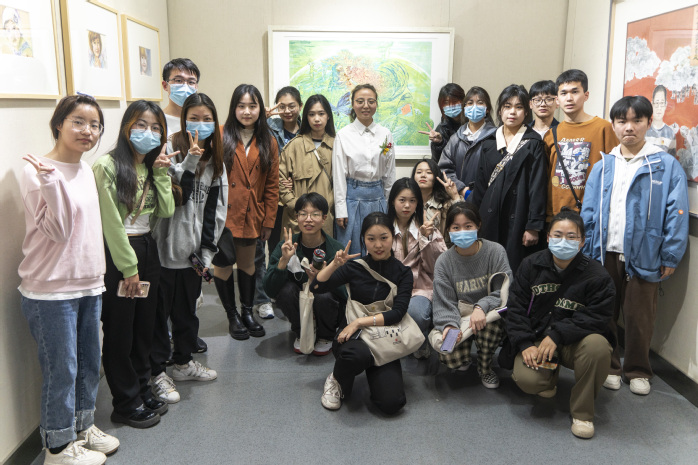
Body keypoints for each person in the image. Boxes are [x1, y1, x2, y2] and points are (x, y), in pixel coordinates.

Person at [19, 94, 118, 463]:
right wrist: (50, 182)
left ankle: (81, 427)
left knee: (90, 362)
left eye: (94, 125)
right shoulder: (36, 170)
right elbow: (59, 231)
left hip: (88, 283)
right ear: (59, 123)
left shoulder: (86, 170)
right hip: (51, 290)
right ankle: (58, 448)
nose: (87, 131)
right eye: (78, 121)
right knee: (62, 370)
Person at [581, 95, 689, 396]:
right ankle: (610, 365)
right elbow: (588, 212)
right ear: (614, 125)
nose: (629, 127)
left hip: (646, 253)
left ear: (648, 123)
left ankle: (638, 369)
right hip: (604, 252)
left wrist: (670, 254)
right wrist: (587, 251)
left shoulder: (665, 165)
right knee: (604, 312)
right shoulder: (604, 165)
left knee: (640, 316)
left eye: (636, 120)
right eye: (622, 121)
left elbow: (677, 213)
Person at [93, 101, 175, 428]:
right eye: (141, 125)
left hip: (147, 248)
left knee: (144, 326)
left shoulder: (150, 166)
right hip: (120, 254)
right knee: (120, 331)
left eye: (155, 128)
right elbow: (111, 224)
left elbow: (166, 210)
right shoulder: (107, 166)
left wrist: (162, 173)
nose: (148, 133)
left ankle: (142, 389)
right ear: (127, 126)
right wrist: (129, 268)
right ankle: (125, 403)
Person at [504, 208, 615, 439]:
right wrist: (525, 343)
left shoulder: (598, 276)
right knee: (528, 380)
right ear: (547, 237)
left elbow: (598, 317)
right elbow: (515, 307)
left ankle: (583, 413)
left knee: (598, 347)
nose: (563, 241)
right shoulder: (530, 265)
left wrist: (557, 334)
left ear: (582, 242)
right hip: (538, 338)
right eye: (557, 235)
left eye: (571, 236)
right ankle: (547, 381)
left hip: (574, 342)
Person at [150, 93, 227, 401]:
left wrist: (206, 254)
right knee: (159, 317)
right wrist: (190, 159)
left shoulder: (217, 161)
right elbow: (174, 197)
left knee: (187, 314)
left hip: (193, 255)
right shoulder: (170, 148)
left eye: (207, 119)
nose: (200, 124)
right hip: (163, 251)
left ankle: (182, 363)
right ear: (184, 120)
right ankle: (158, 372)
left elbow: (215, 213)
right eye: (194, 118)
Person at [312, 212, 413, 413]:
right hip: (353, 339)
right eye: (371, 239)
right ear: (363, 239)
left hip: (383, 337)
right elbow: (316, 287)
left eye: (384, 238)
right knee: (355, 356)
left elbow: (398, 313)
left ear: (393, 237)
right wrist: (334, 264)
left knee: (392, 403)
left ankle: (373, 371)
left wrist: (359, 322)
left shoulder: (403, 273)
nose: (378, 245)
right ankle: (336, 379)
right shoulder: (355, 267)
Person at [215, 84, 279, 340]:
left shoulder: (268, 140)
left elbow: (272, 185)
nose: (247, 111)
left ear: (260, 109)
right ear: (233, 108)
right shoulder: (221, 134)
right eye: (241, 106)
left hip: (252, 214)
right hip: (223, 215)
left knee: (248, 265)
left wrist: (269, 221)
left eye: (252, 106)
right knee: (223, 266)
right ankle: (232, 316)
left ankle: (247, 312)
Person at [431, 202, 512, 388]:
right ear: (448, 230)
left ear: (478, 225)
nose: (462, 232)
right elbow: (444, 301)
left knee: (488, 331)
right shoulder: (444, 261)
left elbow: (503, 290)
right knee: (449, 354)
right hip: (459, 316)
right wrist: (449, 325)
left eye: (468, 226)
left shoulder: (495, 251)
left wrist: (481, 307)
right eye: (456, 227)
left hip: (489, 314)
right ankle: (465, 356)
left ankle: (485, 368)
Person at [471, 84, 548, 273]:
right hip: (489, 217)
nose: (512, 112)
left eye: (518, 107)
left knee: (515, 269)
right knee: (488, 268)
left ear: (526, 112)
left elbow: (538, 187)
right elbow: (480, 187)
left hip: (519, 218)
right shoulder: (489, 143)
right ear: (500, 110)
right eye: (507, 106)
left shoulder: (533, 143)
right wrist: (474, 221)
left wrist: (533, 226)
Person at [263, 193, 346, 355]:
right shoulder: (286, 245)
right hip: (299, 305)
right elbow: (270, 290)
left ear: (324, 218)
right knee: (286, 291)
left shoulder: (335, 249)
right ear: (297, 218)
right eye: (303, 214)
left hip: (328, 309)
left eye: (315, 214)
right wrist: (283, 261)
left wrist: (323, 279)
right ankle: (301, 331)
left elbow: (345, 294)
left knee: (323, 295)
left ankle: (325, 336)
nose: (308, 219)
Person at [252, 86, 305, 319]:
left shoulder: (306, 129)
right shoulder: (268, 127)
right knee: (267, 249)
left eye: (292, 106)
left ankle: (288, 291)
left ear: (300, 106)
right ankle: (264, 296)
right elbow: (248, 137)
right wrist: (260, 118)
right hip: (272, 198)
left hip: (295, 201)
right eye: (281, 106)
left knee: (291, 248)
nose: (287, 111)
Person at [543, 69, 618, 221]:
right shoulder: (551, 134)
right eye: (564, 93)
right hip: (556, 216)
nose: (569, 98)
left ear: (586, 95)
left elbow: (614, 172)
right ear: (557, 99)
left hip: (591, 215)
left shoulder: (603, 128)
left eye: (575, 92)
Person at [333, 84, 396, 255]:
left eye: (371, 101)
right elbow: (338, 176)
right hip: (352, 200)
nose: (366, 106)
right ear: (353, 104)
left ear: (376, 104)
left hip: (378, 199)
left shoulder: (386, 134)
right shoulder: (343, 135)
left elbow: (389, 175)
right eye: (360, 101)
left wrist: (390, 207)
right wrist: (340, 209)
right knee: (352, 251)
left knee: (378, 250)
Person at [387, 178, 447, 357]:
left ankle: (420, 342)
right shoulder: (384, 227)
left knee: (416, 314)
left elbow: (437, 267)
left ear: (418, 203)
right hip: (389, 288)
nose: (407, 205)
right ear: (392, 201)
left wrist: (426, 239)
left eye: (412, 200)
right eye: (402, 200)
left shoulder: (427, 228)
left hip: (419, 288)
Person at [278, 94, 336, 238]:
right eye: (312, 114)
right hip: (297, 218)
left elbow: (342, 183)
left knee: (323, 251)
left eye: (321, 114)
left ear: (328, 116)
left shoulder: (337, 145)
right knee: (293, 251)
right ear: (306, 117)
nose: (317, 119)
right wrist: (296, 206)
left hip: (325, 217)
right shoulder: (294, 146)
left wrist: (327, 206)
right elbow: (280, 180)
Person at [438, 86, 497, 199]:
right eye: (470, 103)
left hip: (488, 198)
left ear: (487, 109)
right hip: (458, 198)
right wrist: (462, 189)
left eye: (480, 103)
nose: (474, 107)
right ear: (464, 108)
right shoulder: (456, 139)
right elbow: (444, 169)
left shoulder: (496, 137)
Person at [412, 158, 461, 235]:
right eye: (419, 172)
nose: (423, 175)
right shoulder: (409, 203)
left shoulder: (445, 203)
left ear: (436, 177)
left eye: (429, 172)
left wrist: (455, 196)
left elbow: (462, 220)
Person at [417, 83, 465, 163]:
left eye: (454, 101)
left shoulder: (472, 124)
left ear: (463, 101)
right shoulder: (441, 129)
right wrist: (440, 143)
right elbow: (438, 161)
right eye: (446, 102)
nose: (451, 106)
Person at [161, 58, 200, 137]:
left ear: (196, 87)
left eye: (191, 82)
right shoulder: (157, 119)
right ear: (165, 85)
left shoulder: (202, 120)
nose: (185, 86)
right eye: (178, 80)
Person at [645, 85, 678, 156]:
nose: (659, 108)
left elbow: (671, 159)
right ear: (652, 104)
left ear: (665, 105)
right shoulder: (644, 129)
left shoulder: (670, 133)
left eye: (662, 103)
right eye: (657, 103)